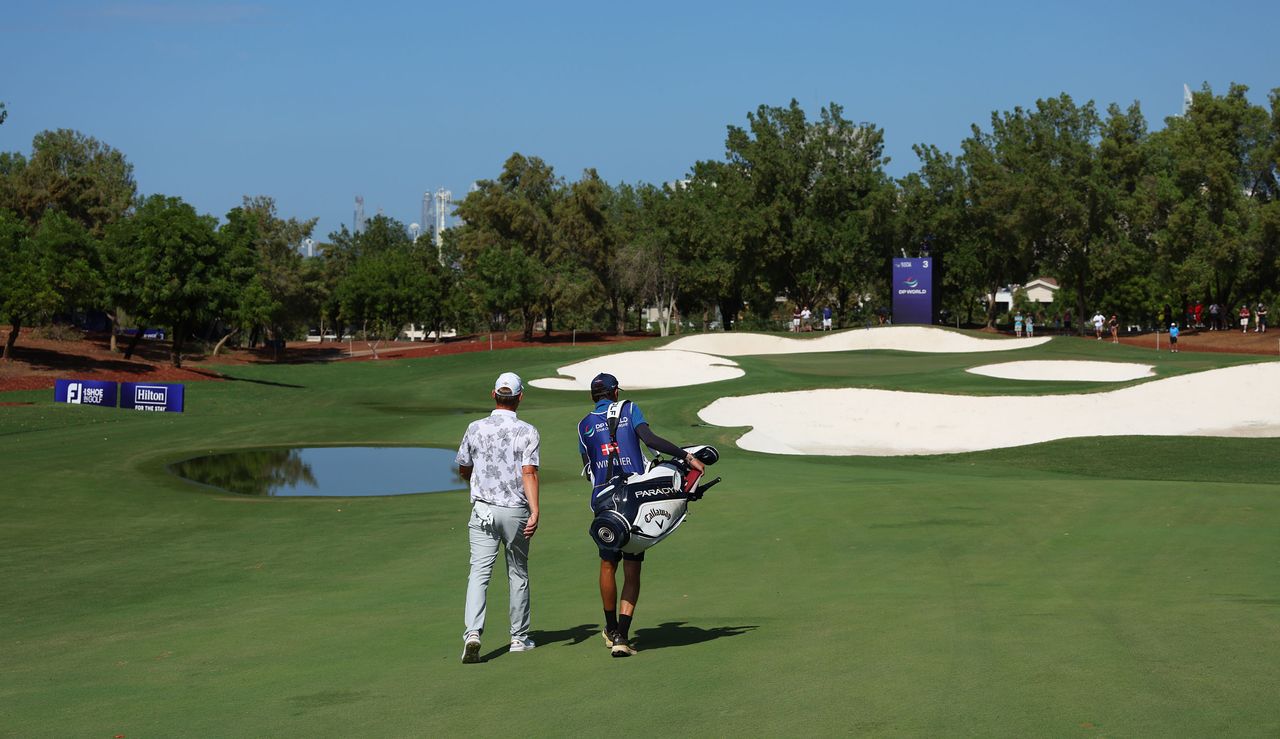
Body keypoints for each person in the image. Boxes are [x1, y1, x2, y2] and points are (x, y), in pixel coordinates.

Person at [578, 372, 704, 658]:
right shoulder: (629, 408)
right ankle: (622, 636)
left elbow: (589, 466)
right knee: (632, 568)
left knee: (608, 564)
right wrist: (687, 457)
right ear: (616, 392)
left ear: (592, 396)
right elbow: (650, 439)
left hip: (603, 501)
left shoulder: (583, 424)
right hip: (634, 496)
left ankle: (610, 630)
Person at [456, 372, 541, 664]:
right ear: (520, 398)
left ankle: (473, 634)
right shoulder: (528, 431)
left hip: (482, 510)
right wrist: (536, 509)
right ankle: (519, 638)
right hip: (515, 510)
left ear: (494, 395)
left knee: (479, 574)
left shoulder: (475, 427)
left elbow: (464, 467)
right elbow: (529, 472)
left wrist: (473, 477)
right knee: (517, 573)